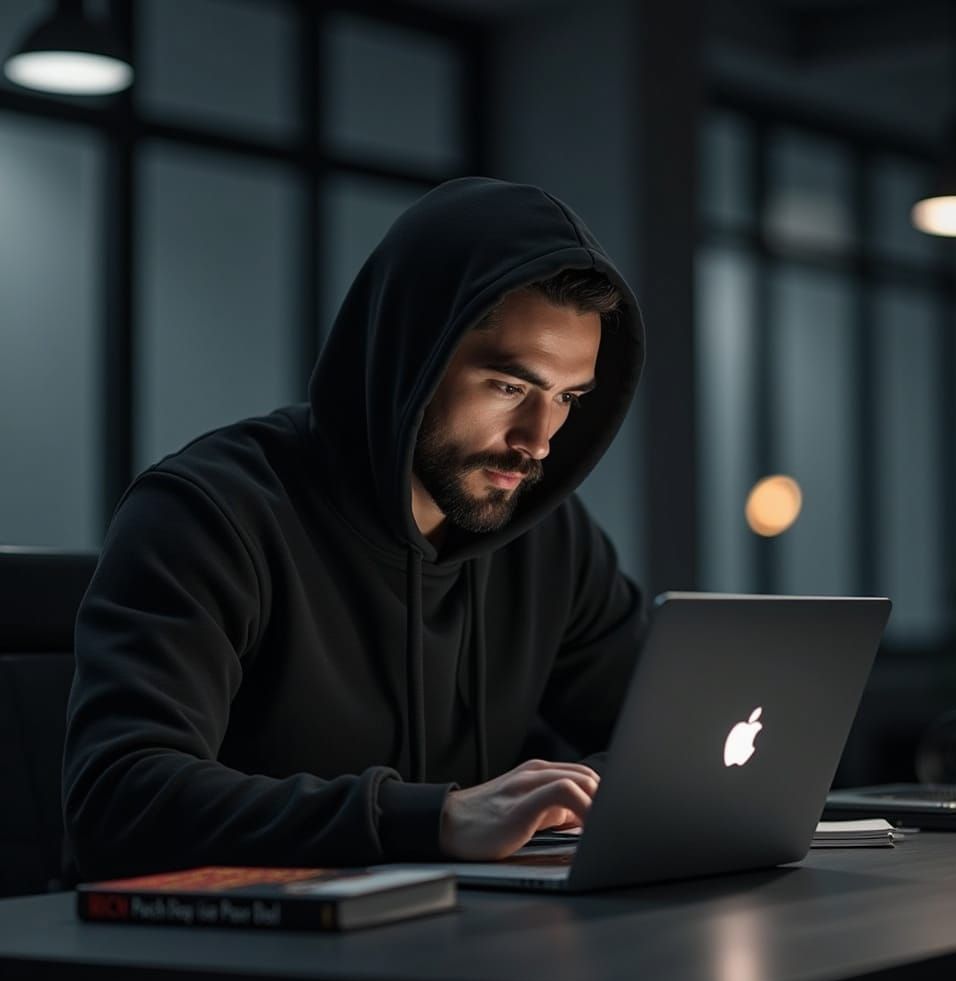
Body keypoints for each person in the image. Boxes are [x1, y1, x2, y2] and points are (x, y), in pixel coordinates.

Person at [62, 177, 647, 879]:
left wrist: (604, 793)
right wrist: (433, 818)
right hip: (245, 942)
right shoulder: (210, 514)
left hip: (469, 931)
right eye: (509, 387)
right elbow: (118, 799)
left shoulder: (548, 538)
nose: (539, 440)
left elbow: (662, 727)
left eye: (567, 398)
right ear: (411, 355)